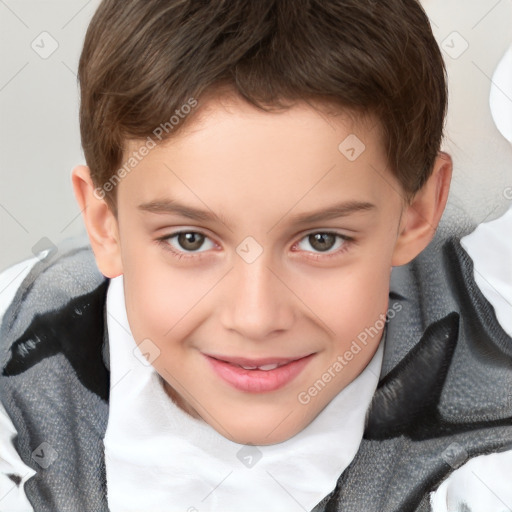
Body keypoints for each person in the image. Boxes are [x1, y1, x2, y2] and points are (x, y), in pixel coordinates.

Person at [1, 0, 511, 510]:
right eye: (190, 240)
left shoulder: (491, 460)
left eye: (321, 240)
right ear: (104, 224)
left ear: (417, 211)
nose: (255, 318)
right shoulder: (17, 382)